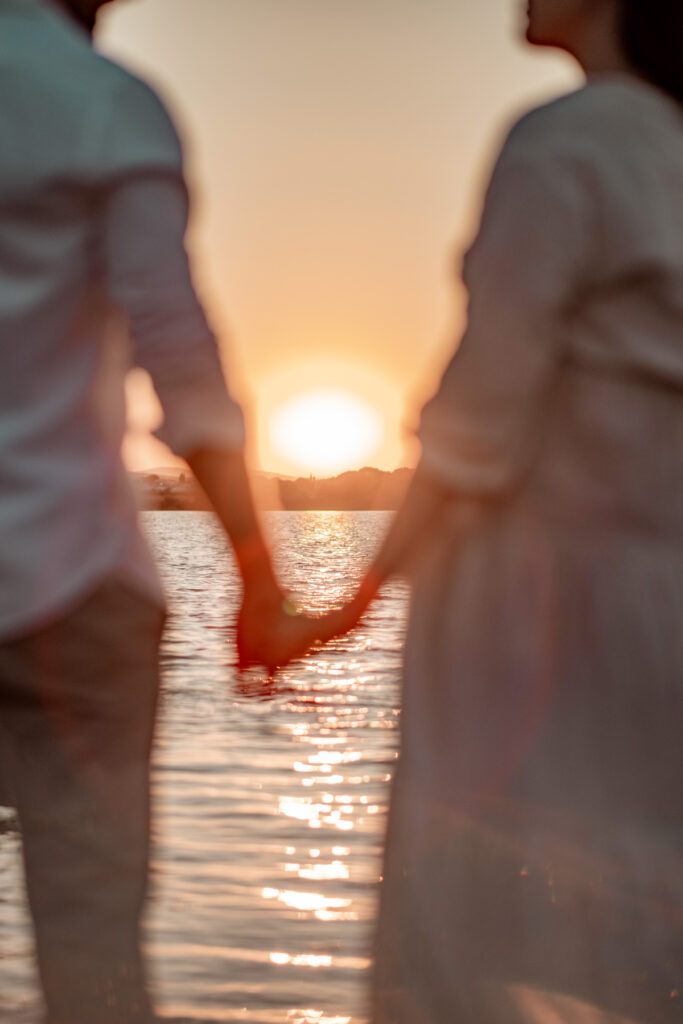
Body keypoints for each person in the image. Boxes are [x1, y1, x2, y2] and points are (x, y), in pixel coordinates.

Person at [322, 1, 683, 1021]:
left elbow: (477, 426)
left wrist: (353, 597)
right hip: (658, 603)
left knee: (472, 934)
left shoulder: (569, 138)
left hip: (531, 613)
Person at [0, 1, 324, 1021]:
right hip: (73, 587)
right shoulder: (106, 107)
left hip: (78, 596)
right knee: (92, 962)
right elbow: (182, 368)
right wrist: (259, 582)